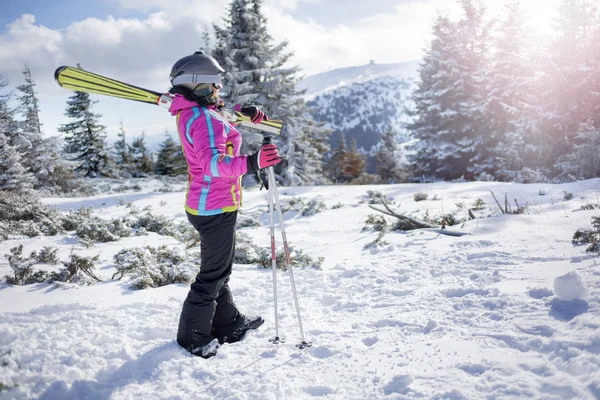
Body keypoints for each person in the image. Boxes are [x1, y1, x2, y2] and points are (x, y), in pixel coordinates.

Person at [168, 51, 281, 359]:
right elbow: (212, 163)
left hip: (211, 203)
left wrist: (247, 114)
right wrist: (252, 161)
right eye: (209, 86)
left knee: (220, 271)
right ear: (194, 87)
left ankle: (228, 324)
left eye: (216, 85)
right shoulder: (202, 119)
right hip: (213, 206)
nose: (216, 91)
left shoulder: (192, 111)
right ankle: (193, 338)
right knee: (211, 276)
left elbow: (217, 114)